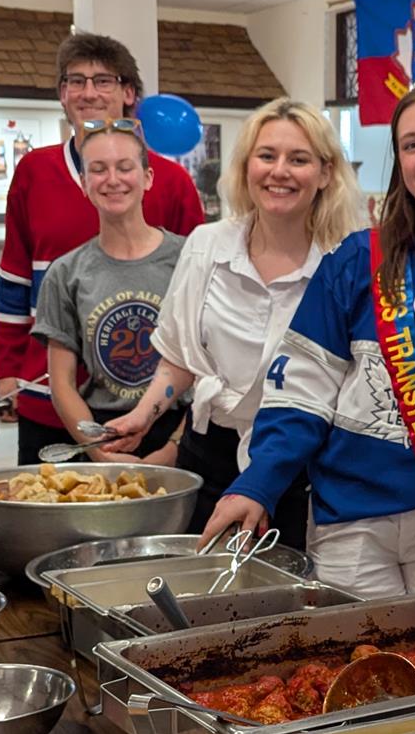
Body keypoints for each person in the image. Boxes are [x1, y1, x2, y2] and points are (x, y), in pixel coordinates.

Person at [199, 75, 415, 595]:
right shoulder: (356, 261)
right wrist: (258, 482)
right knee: (357, 647)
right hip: (351, 518)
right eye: (412, 144)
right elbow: (302, 389)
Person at [102, 98, 358, 544]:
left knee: (290, 584)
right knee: (207, 581)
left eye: (298, 159)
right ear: (246, 167)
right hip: (210, 453)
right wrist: (143, 415)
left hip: (304, 465)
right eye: (267, 156)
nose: (280, 171)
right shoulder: (206, 245)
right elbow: (180, 358)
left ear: (325, 173)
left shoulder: (345, 262)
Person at [0, 33, 205, 461]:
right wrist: (7, 369)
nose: (89, 93)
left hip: (151, 401)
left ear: (129, 94)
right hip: (49, 391)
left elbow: (197, 298)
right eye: (76, 81)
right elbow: (15, 276)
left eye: (104, 80)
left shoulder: (173, 182)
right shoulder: (33, 171)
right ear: (62, 94)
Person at [32, 119, 187, 465]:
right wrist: (99, 453)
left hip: (180, 434)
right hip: (102, 435)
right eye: (98, 170)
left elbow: (209, 370)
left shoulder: (189, 259)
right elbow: (62, 384)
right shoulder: (65, 273)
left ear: (147, 177)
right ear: (84, 183)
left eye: (125, 167)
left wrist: (173, 451)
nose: (112, 179)